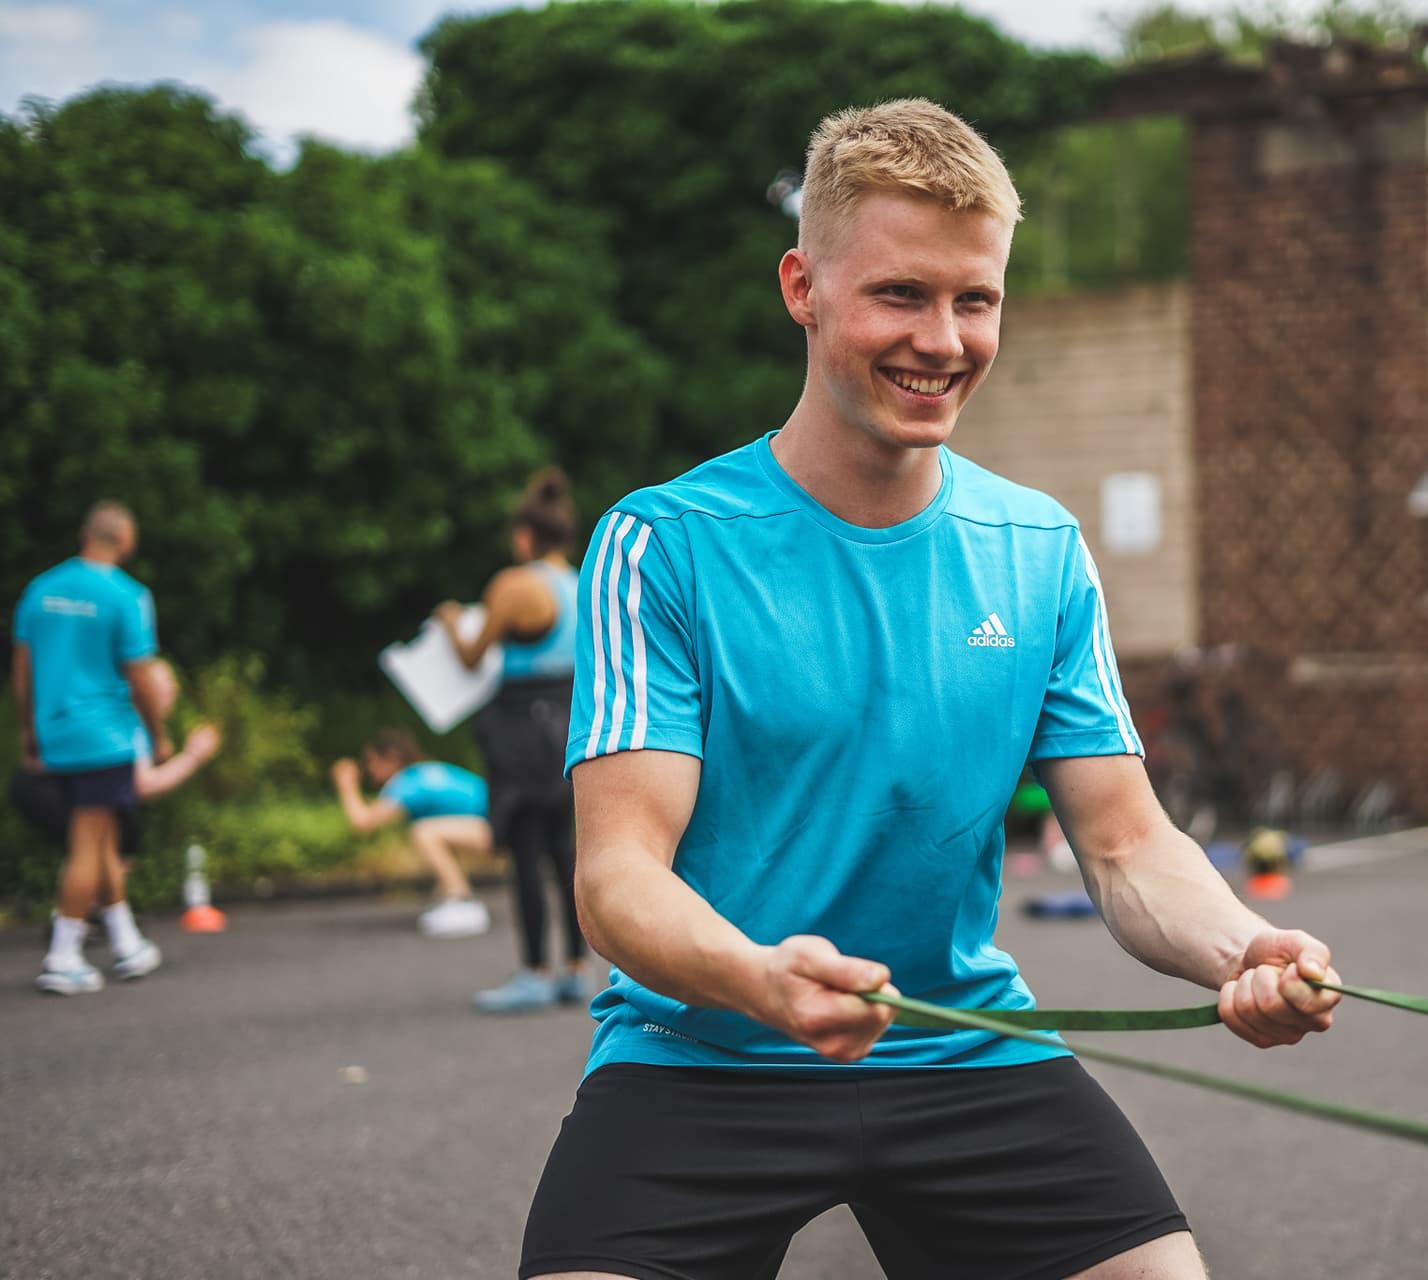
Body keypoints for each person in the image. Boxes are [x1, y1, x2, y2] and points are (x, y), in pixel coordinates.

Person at [518, 99, 1342, 1280]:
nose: (944, 339)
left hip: (960, 1045)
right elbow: (616, 879)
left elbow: (1123, 844)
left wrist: (1243, 947)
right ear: (803, 287)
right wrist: (762, 977)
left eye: (977, 298)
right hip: (703, 1051)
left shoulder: (1039, 546)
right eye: (901, 294)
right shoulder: (664, 542)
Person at [437, 467, 586, 1012]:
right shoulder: (581, 582)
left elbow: (473, 655)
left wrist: (453, 622)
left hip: (523, 728)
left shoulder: (514, 585)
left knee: (525, 849)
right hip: (571, 720)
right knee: (564, 850)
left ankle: (533, 971)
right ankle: (574, 967)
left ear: (525, 536)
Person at [12, 501, 172, 994]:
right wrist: (158, 733)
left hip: (55, 729)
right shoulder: (126, 595)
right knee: (90, 839)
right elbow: (141, 676)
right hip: (104, 734)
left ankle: (126, 941)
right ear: (125, 539)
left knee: (102, 836)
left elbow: (22, 668)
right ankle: (64, 954)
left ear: (85, 535)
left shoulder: (40, 589)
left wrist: (28, 728)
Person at [10, 657, 223, 863]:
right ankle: (103, 897)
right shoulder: (130, 722)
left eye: (171, 683)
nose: (172, 690)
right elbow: (142, 786)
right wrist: (192, 756)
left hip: (50, 784)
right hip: (44, 785)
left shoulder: (124, 717)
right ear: (142, 689)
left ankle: (106, 895)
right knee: (114, 836)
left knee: (117, 832)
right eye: (163, 684)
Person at [330, 729, 492, 939]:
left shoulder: (406, 782)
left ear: (392, 759)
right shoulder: (421, 773)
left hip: (497, 828)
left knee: (424, 832)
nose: (369, 769)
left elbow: (363, 822)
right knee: (433, 830)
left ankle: (461, 900)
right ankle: (450, 896)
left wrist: (346, 784)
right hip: (496, 824)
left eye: (372, 761)